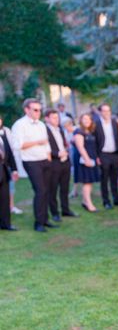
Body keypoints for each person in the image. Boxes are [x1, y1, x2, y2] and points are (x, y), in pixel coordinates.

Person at [11, 98, 56, 232]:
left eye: (40, 110)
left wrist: (48, 158)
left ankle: (45, 219)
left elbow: (46, 143)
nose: (38, 112)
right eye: (35, 110)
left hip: (44, 160)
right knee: (40, 191)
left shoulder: (41, 125)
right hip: (31, 161)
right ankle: (38, 223)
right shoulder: (20, 125)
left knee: (47, 190)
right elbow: (17, 145)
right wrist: (37, 142)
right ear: (27, 110)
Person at [44, 109, 77, 221]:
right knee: (52, 189)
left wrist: (66, 150)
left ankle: (66, 210)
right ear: (47, 119)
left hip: (65, 162)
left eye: (57, 117)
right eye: (53, 117)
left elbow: (62, 144)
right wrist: (57, 153)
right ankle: (54, 213)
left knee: (65, 188)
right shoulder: (44, 131)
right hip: (53, 163)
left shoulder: (60, 130)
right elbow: (44, 149)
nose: (56, 120)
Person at [95, 103, 118, 209]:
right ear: (100, 112)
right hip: (103, 154)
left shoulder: (114, 123)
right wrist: (97, 156)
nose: (106, 113)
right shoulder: (96, 124)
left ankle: (116, 199)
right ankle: (106, 201)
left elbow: (117, 137)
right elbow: (95, 142)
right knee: (104, 179)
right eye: (104, 111)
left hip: (115, 154)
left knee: (114, 178)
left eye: (108, 111)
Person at [73, 113, 101, 213]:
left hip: (92, 158)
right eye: (84, 119)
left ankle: (85, 202)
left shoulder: (90, 132)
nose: (87, 121)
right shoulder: (78, 132)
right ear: (80, 120)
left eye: (88, 119)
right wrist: (87, 159)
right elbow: (80, 147)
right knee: (87, 182)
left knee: (90, 181)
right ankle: (89, 205)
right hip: (84, 160)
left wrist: (96, 158)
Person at [0, 116, 22, 216]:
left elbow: (10, 150)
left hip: (6, 166)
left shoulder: (6, 131)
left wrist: (14, 169)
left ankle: (10, 207)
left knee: (10, 188)